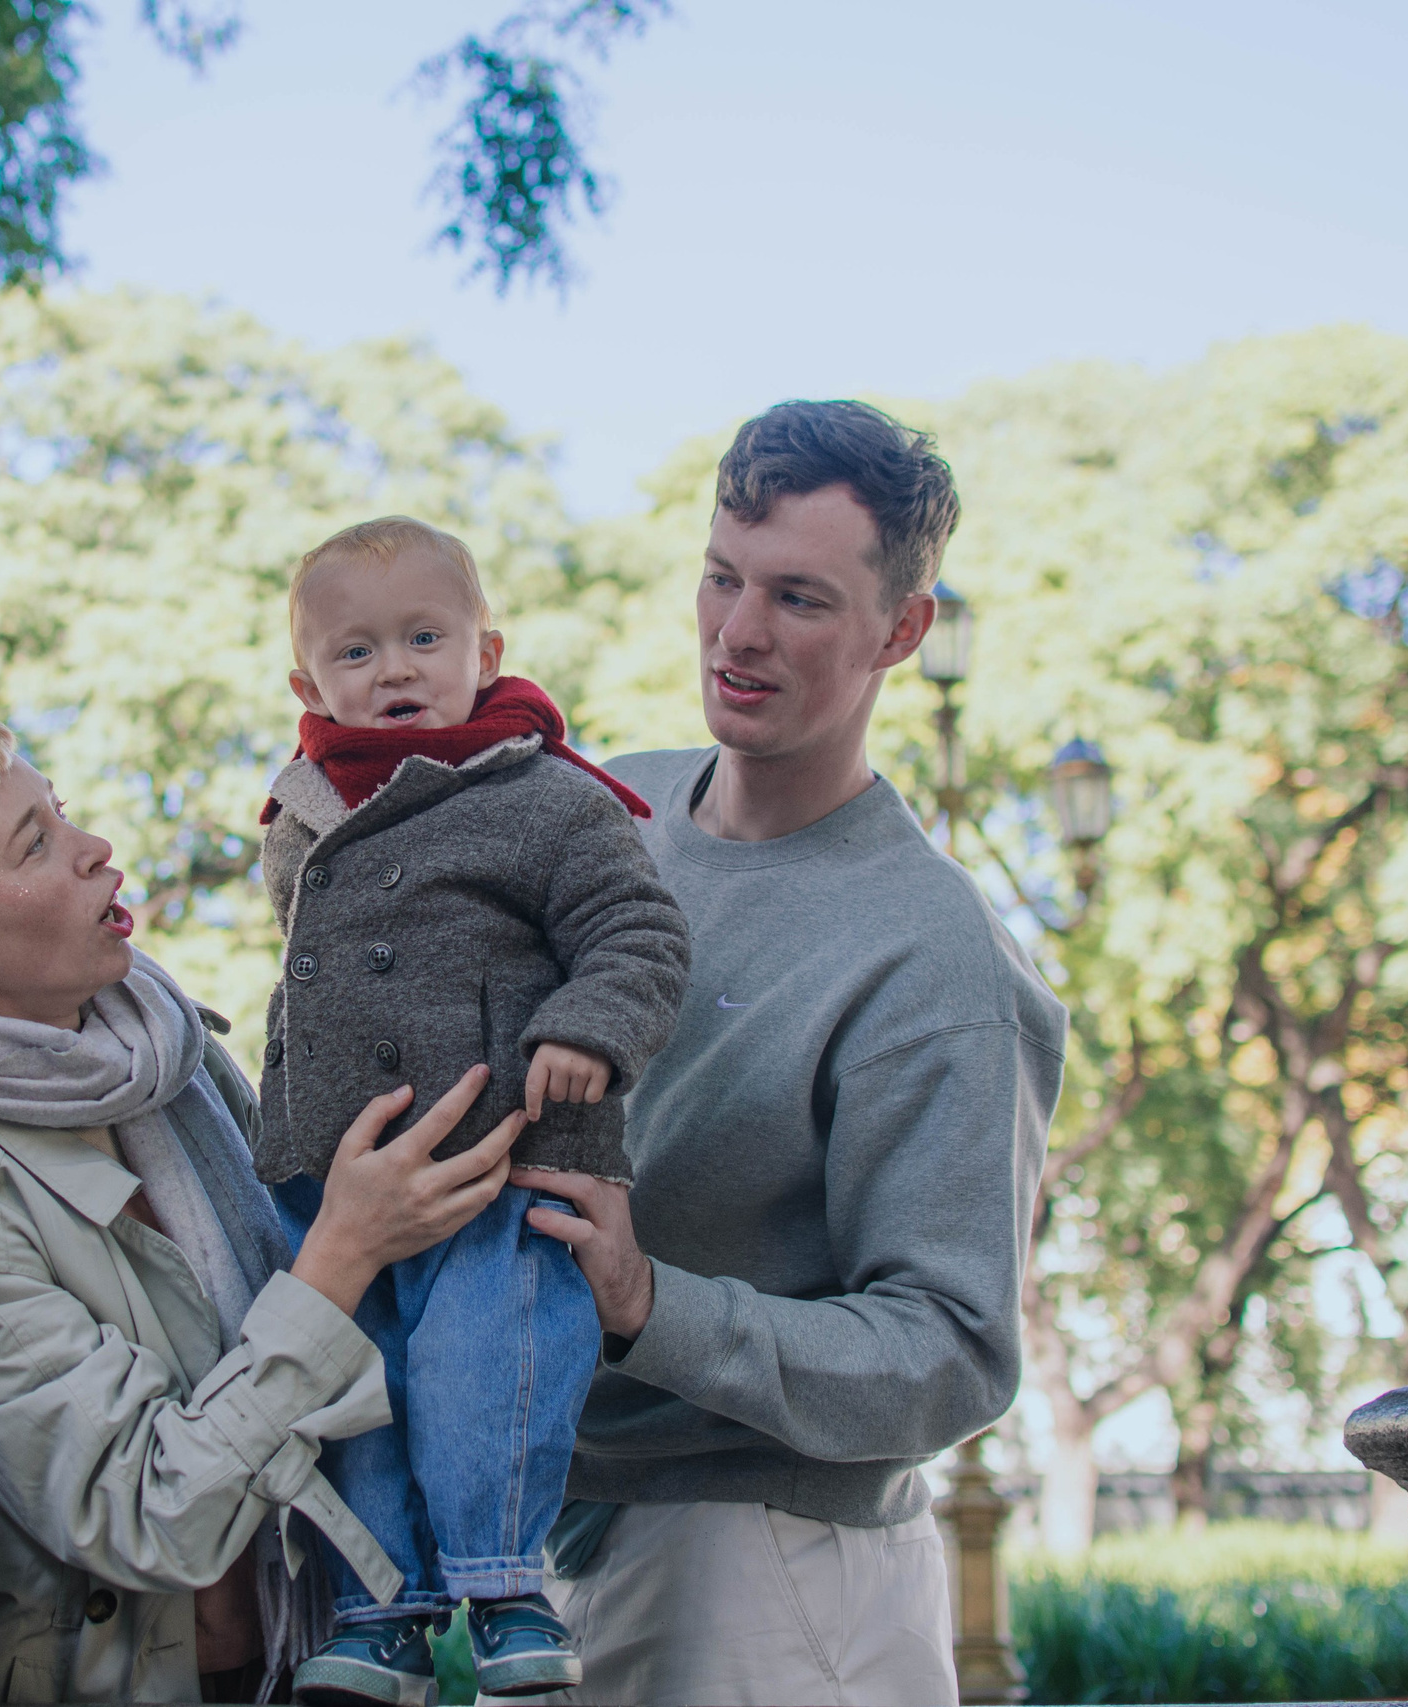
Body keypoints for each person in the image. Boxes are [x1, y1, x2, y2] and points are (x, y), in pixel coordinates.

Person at [0, 720, 531, 1705]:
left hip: (312, 1655)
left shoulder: (169, 1057)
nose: (96, 850)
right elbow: (147, 1513)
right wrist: (345, 1249)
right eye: (35, 844)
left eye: (64, 815)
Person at [516, 401, 1069, 1706]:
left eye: (801, 598)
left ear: (904, 628)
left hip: (771, 1582)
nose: (741, 631)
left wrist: (648, 1297)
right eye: (722, 577)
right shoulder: (603, 812)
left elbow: (950, 1350)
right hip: (545, 1544)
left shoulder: (937, 954)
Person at [254, 518, 691, 1705]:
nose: (392, 669)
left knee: (488, 1361)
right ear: (307, 684)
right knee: (362, 1383)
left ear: (484, 653)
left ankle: (503, 1588)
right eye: (356, 652)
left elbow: (638, 932)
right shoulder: (300, 807)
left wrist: (586, 1029)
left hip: (497, 1158)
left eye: (423, 638)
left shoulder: (544, 795)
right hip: (335, 1169)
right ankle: (381, 1609)